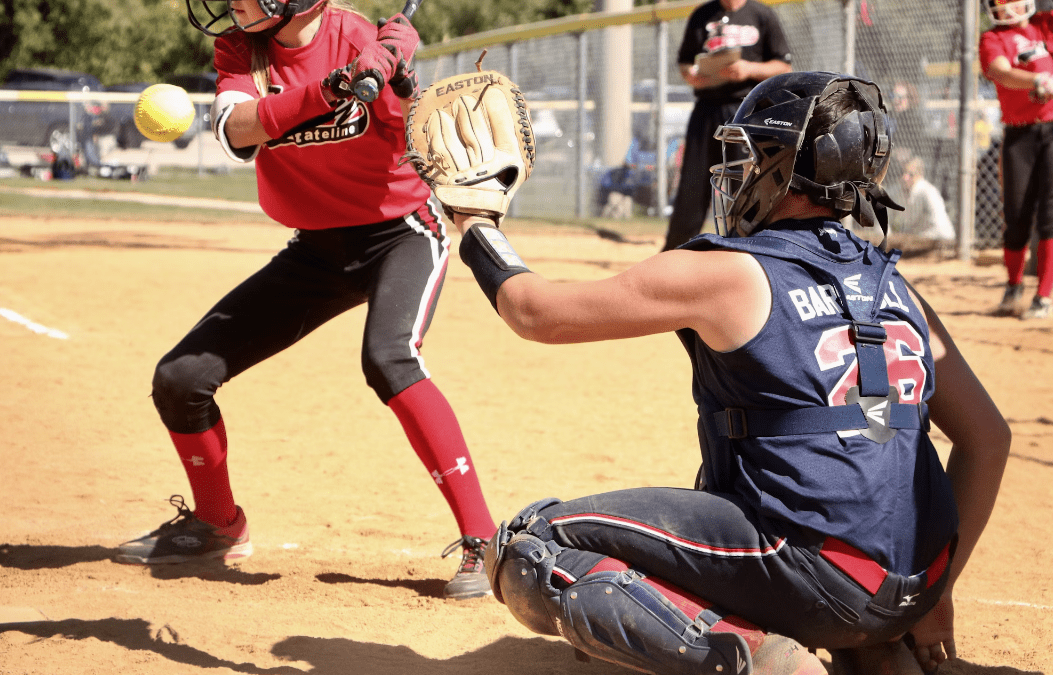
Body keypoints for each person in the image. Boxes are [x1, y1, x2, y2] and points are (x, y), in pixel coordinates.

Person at [447, 73, 1010, 674]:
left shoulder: (732, 272)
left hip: (816, 575)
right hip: (908, 590)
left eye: (750, 155)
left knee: (532, 548)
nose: (738, 173)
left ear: (783, 167)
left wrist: (475, 223)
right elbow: (989, 439)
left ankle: (766, 659)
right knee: (755, 467)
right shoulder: (894, 285)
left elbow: (535, 312)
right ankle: (874, 652)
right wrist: (937, 592)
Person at [115, 0, 499, 600]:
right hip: (316, 250)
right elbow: (238, 130)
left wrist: (397, 74)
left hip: (400, 232)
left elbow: (410, 136)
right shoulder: (243, 48)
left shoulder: (359, 37)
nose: (231, 2)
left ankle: (483, 540)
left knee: (389, 359)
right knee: (181, 378)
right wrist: (331, 88)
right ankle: (218, 523)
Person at [662, 0, 792, 251]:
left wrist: (748, 69)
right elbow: (685, 62)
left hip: (747, 110)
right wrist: (693, 75)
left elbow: (783, 66)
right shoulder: (702, 15)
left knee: (744, 184)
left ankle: (747, 248)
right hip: (707, 109)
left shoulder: (762, 14)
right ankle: (675, 250)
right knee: (693, 183)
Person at [979, 0, 1053, 319]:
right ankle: (1013, 285)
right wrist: (1037, 81)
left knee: (1050, 212)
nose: (1004, 7)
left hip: (1052, 128)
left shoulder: (1044, 24)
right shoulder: (993, 39)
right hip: (1018, 134)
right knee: (1017, 212)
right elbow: (1001, 72)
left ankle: (1044, 295)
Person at [897, 155, 956, 248]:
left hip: (940, 240)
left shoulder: (927, 192)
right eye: (903, 173)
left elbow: (938, 225)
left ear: (920, 175)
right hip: (922, 239)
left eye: (910, 174)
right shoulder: (901, 191)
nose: (905, 178)